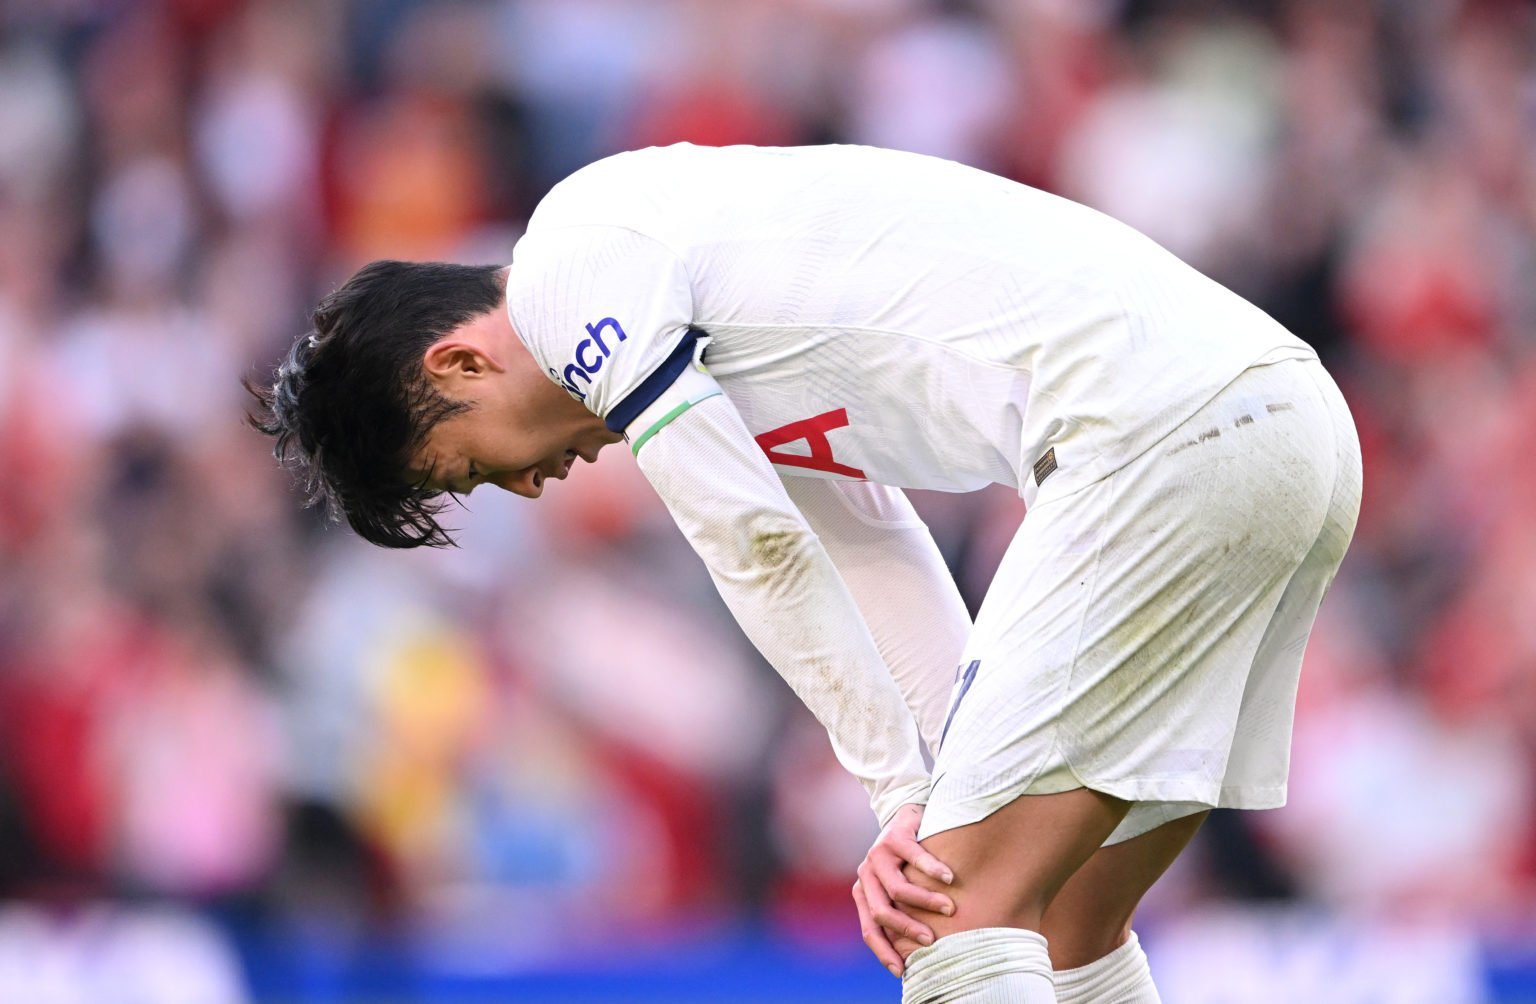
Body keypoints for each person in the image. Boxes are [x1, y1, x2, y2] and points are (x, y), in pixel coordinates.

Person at [248, 142, 1362, 1003]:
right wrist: (931, 780)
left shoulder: (567, 266)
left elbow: (751, 540)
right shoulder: (710, 278)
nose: (533, 485)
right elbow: (867, 537)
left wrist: (901, 794)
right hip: (1286, 427)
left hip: (1163, 441)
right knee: (1063, 923)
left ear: (460, 360)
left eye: (482, 470)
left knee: (955, 917)